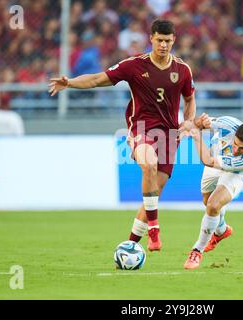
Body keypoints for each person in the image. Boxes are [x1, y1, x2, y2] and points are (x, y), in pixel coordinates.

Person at [49, 19, 204, 251]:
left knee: (153, 194)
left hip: (171, 135)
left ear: (174, 41)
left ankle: (130, 247)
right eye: (159, 40)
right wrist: (69, 82)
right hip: (141, 129)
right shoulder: (133, 65)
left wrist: (188, 122)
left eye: (168, 41)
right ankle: (154, 229)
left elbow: (190, 100)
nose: (163, 45)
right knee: (148, 164)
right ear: (151, 38)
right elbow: (96, 79)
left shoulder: (182, 70)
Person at [179, 116, 243, 269]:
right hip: (215, 160)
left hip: (234, 172)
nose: (236, 150)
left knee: (213, 205)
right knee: (207, 201)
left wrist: (196, 135)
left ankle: (197, 251)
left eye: (242, 148)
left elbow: (207, 160)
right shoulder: (226, 123)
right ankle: (221, 229)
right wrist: (199, 124)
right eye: (235, 144)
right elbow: (200, 123)